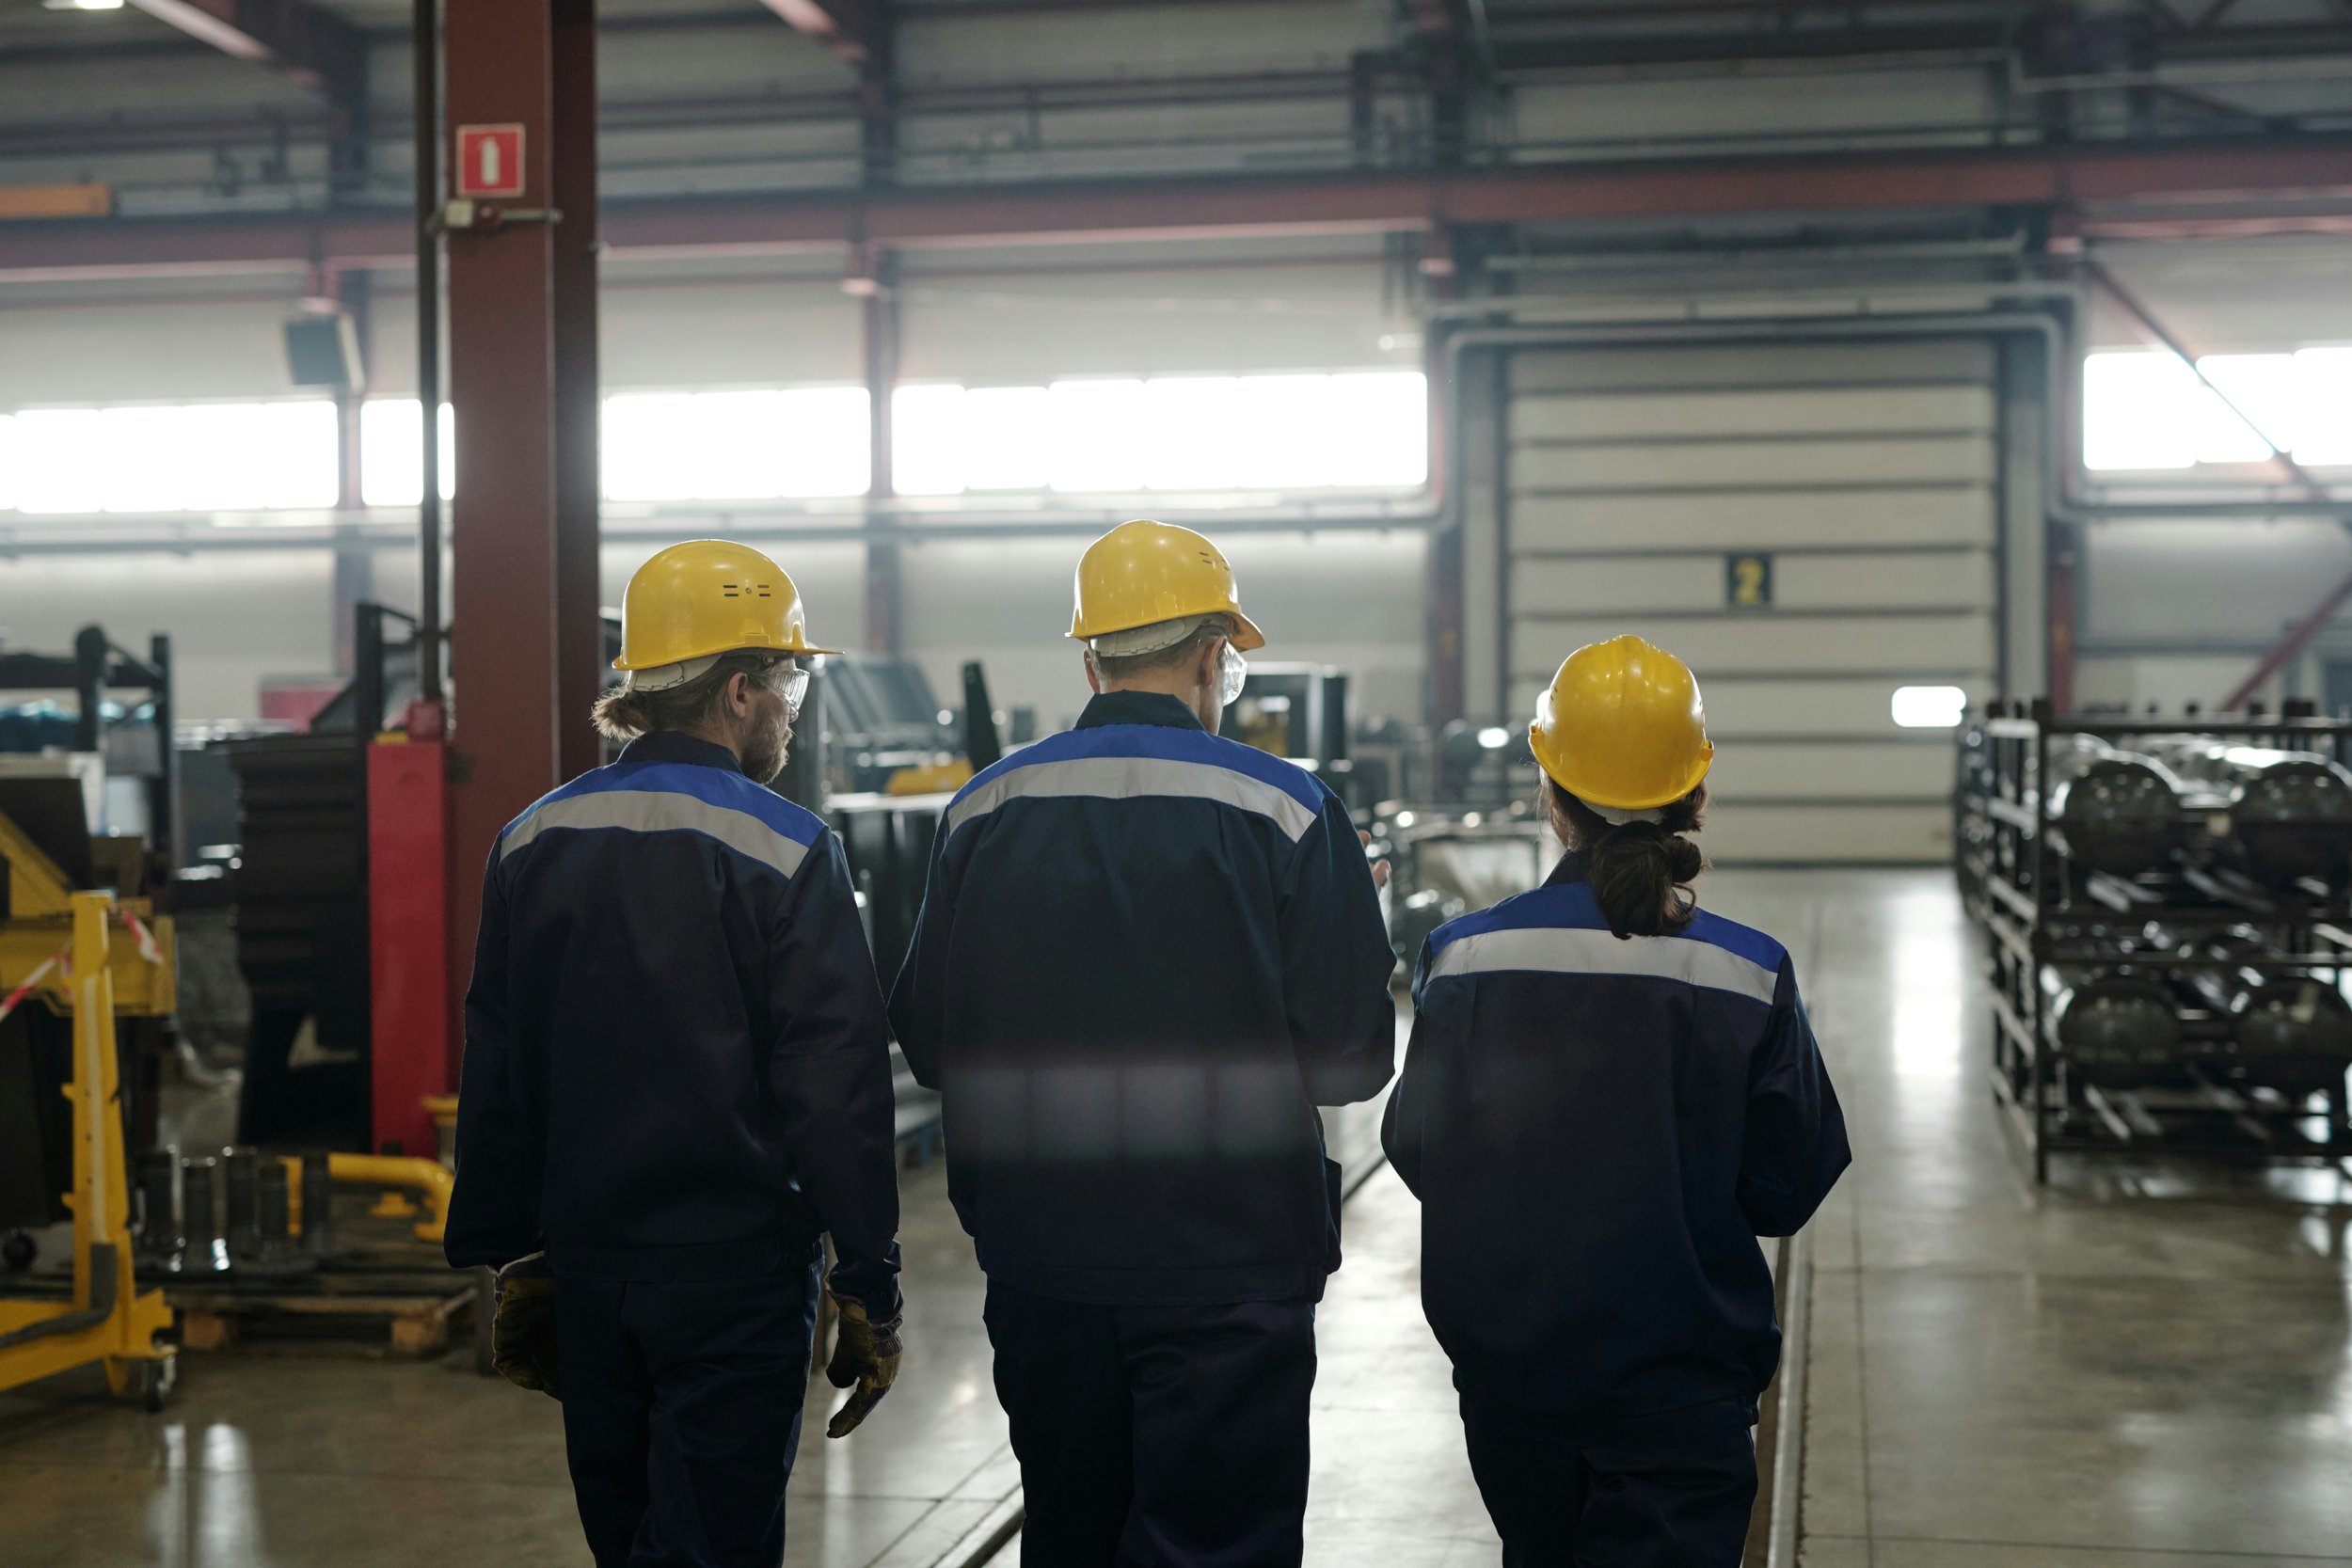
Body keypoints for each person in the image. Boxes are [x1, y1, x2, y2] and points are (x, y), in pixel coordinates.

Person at [889, 518, 1397, 1567]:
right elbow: (1351, 1057)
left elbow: (931, 1041)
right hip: (1230, 1263)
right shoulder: (1293, 812)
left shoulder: (983, 806)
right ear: (1216, 654)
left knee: (1069, 1533)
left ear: (1091, 657)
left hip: (1042, 1257)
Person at [445, 539, 905, 1568]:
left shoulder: (531, 839)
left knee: (627, 1536)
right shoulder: (789, 848)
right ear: (738, 689)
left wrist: (509, 1245)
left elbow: (500, 1055)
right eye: (786, 677)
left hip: (588, 1268)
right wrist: (869, 1272)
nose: (792, 702)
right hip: (733, 1277)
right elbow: (834, 1086)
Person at [1383, 634, 1851, 1568]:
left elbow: (1419, 1149)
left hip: (1513, 1377)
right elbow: (1788, 1181)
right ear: (1697, 792)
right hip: (1682, 1388)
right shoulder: (1744, 971)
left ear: (1549, 795)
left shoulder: (1466, 958)